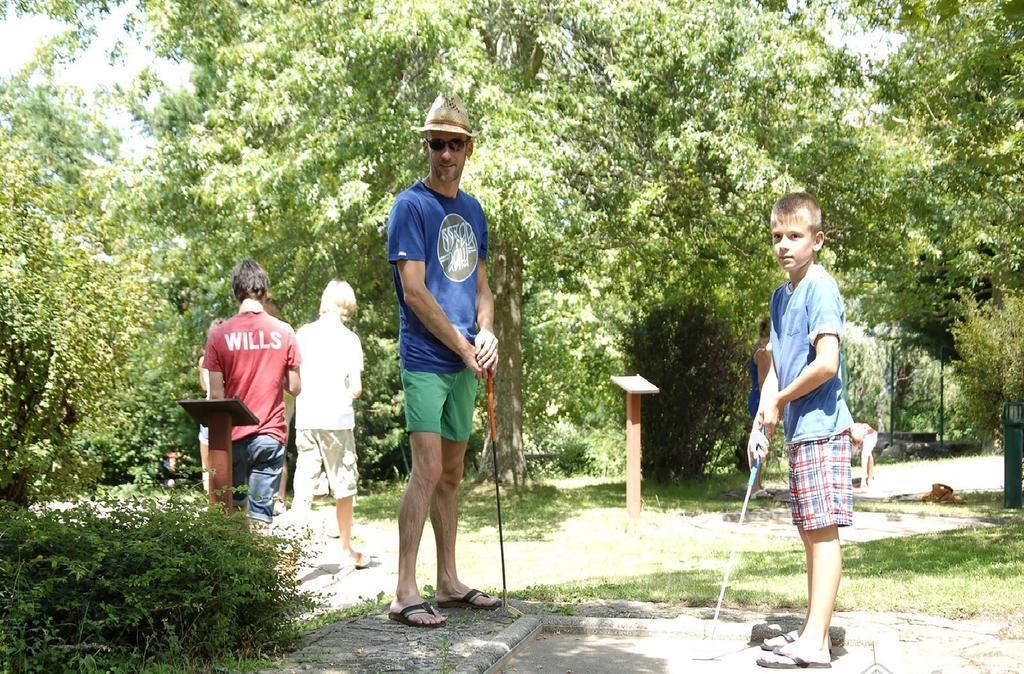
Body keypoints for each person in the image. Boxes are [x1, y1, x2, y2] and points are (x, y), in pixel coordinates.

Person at [385, 93, 500, 628]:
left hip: (465, 363)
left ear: (468, 149)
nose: (446, 153)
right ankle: (404, 590)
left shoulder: (473, 210)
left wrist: (489, 331)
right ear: (425, 147)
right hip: (428, 358)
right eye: (437, 144)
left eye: (455, 144)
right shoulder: (410, 207)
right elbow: (414, 292)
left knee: (452, 474)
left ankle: (448, 582)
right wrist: (461, 343)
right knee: (427, 470)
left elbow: (481, 286)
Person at [753, 193, 853, 669]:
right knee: (807, 533)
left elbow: (827, 364)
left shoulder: (820, 287)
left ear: (817, 239)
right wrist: (763, 418)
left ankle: (816, 641)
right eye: (777, 237)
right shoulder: (780, 297)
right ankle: (814, 631)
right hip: (798, 431)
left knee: (822, 532)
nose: (784, 246)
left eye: (794, 236)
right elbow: (772, 367)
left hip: (823, 429)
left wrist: (780, 400)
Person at [203, 260, 301, 526]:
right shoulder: (284, 332)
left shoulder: (219, 335)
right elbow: (294, 387)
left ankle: (236, 567)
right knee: (260, 517)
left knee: (232, 514)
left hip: (232, 436)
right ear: (265, 291)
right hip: (270, 434)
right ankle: (260, 564)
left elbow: (215, 396)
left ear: (236, 293)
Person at [292, 279, 368, 569]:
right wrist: (347, 392)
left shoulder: (303, 334)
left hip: (307, 418)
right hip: (337, 419)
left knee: (304, 486)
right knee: (344, 484)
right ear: (347, 305)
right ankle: (346, 549)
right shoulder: (350, 340)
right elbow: (357, 387)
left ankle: (290, 554)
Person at [198, 317, 226, 493]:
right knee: (229, 462)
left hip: (208, 411)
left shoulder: (203, 359)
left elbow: (204, 386)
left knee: (207, 463)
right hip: (230, 411)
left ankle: (211, 504)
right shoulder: (230, 357)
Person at [747, 317, 772, 495]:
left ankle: (757, 483)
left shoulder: (758, 346)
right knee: (759, 438)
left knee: (761, 437)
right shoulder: (763, 351)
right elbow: (763, 381)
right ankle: (754, 486)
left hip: (758, 396)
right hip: (761, 398)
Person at [848, 422, 877, 487]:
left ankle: (869, 479)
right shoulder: (850, 430)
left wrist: (863, 480)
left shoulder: (868, 436)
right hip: (857, 434)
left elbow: (864, 458)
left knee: (867, 454)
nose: (857, 445)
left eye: (858, 442)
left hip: (870, 434)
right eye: (855, 443)